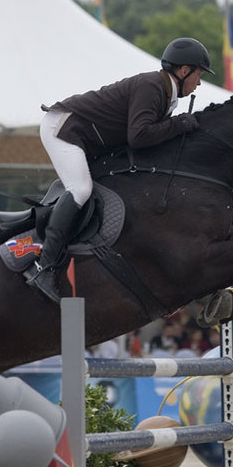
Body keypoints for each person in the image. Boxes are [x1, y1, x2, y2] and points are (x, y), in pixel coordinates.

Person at [28, 37, 214, 300]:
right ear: (184, 71)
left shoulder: (166, 94)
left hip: (86, 137)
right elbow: (138, 136)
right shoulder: (153, 86)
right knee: (80, 189)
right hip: (64, 128)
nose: (199, 82)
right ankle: (44, 267)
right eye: (199, 75)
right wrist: (180, 124)